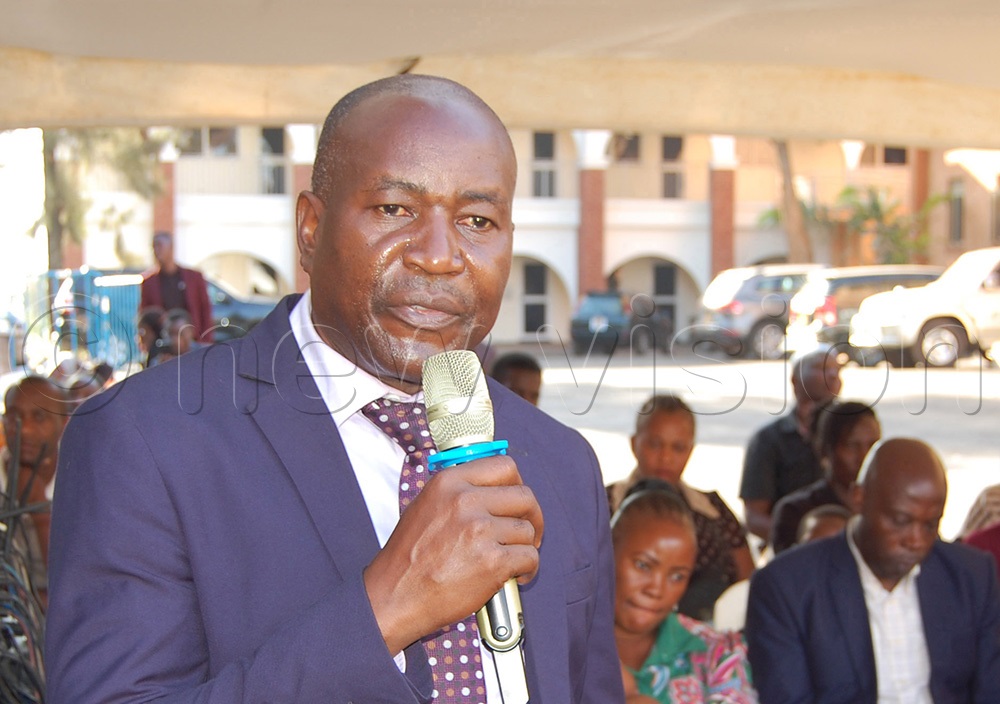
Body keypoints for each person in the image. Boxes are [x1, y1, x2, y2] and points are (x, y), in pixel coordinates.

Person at [45, 75, 623, 703]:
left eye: (477, 219)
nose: (438, 256)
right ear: (311, 228)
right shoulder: (145, 441)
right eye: (394, 210)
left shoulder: (563, 464)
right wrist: (388, 610)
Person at [745, 437, 1000, 703]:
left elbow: (992, 691)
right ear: (859, 498)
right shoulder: (787, 587)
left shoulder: (970, 576)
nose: (916, 540)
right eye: (900, 521)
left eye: (930, 525)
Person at [607, 395, 754, 621]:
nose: (665, 458)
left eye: (678, 448)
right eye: (654, 444)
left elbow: (747, 585)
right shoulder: (603, 503)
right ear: (634, 443)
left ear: (691, 450)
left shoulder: (712, 509)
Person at [612, 485, 757, 703]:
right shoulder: (562, 646)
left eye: (677, 576)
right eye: (643, 565)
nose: (656, 589)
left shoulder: (717, 653)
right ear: (605, 555)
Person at [739, 345, 842, 542]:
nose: (833, 375)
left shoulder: (853, 436)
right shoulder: (768, 440)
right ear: (795, 379)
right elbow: (754, 517)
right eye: (822, 368)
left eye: (837, 369)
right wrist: (799, 543)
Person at [768, 400, 880, 554]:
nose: (864, 456)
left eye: (873, 446)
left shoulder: (889, 507)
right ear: (826, 452)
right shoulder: (795, 512)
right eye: (852, 446)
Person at [2, 375, 70, 602]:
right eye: (14, 416)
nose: (25, 430)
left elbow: (72, 585)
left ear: (64, 425)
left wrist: (35, 502)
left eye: (39, 417)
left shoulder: (82, 480)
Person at [139, 230, 215, 342]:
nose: (156, 251)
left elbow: (205, 309)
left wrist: (206, 340)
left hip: (191, 340)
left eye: (160, 246)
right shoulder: (149, 282)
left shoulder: (194, 278)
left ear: (171, 248)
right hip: (163, 340)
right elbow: (144, 314)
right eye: (154, 246)